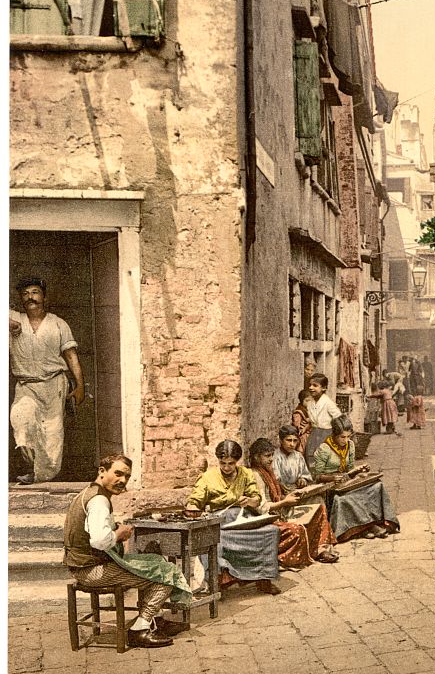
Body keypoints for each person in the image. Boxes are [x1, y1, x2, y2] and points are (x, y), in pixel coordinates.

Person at [64, 454, 191, 648]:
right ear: (102, 471)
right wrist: (120, 534)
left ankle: (155, 620)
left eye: (127, 477)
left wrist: (114, 528)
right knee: (167, 574)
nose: (122, 480)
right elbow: (99, 540)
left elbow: (91, 531)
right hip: (90, 571)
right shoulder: (98, 501)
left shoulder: (89, 493)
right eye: (118, 473)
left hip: (85, 565)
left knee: (155, 561)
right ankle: (139, 630)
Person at [9, 276, 85, 483]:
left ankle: (41, 476)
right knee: (21, 418)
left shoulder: (58, 324)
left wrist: (80, 386)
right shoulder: (14, 317)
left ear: (43, 296)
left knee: (52, 432)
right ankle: (32, 467)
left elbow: (71, 356)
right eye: (25, 294)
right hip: (26, 384)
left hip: (54, 384)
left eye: (34, 292)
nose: (30, 297)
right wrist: (9, 322)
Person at [185, 440, 280, 594]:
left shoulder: (246, 474)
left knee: (271, 532)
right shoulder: (208, 477)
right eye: (223, 463)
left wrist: (249, 501)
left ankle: (264, 579)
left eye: (231, 463)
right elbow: (194, 501)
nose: (227, 467)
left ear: (237, 461)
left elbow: (256, 499)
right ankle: (218, 583)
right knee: (217, 540)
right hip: (220, 523)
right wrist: (193, 509)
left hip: (243, 520)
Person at [249, 437, 339, 566]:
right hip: (270, 518)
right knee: (299, 526)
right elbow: (262, 508)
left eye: (272, 455)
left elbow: (277, 495)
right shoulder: (255, 475)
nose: (271, 459)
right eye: (267, 456)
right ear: (257, 458)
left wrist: (289, 496)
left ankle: (320, 549)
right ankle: (311, 552)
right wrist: (285, 502)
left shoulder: (268, 471)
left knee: (318, 506)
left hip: (280, 510)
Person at [313, 415, 399, 542]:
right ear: (334, 435)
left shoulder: (350, 445)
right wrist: (332, 477)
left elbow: (349, 469)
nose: (346, 440)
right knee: (345, 499)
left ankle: (370, 525)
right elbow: (317, 476)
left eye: (348, 436)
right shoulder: (324, 449)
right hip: (330, 487)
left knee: (376, 487)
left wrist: (359, 470)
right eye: (342, 437)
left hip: (345, 482)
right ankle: (361, 529)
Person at [304, 373, 342, 467]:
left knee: (325, 455)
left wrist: (336, 433)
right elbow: (313, 420)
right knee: (311, 452)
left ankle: (326, 474)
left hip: (326, 433)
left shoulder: (328, 403)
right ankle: (314, 474)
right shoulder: (310, 403)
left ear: (324, 388)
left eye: (315, 385)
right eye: (310, 385)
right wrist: (307, 426)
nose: (311, 388)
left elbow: (338, 417)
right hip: (314, 432)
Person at [290, 389, 313, 455]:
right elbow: (297, 428)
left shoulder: (309, 411)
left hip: (310, 436)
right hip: (303, 438)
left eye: (311, 401)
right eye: (307, 401)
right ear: (302, 400)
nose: (309, 403)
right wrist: (307, 426)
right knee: (302, 453)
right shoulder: (298, 412)